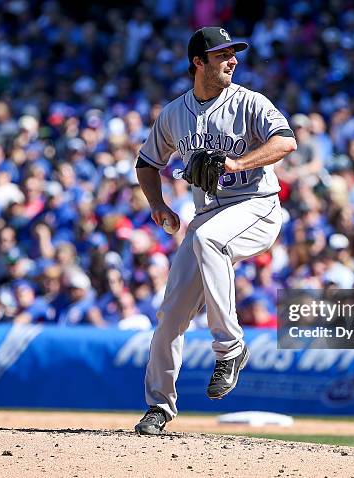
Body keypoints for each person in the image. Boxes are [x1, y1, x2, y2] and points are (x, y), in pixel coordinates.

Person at [134, 27, 297, 435]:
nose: (233, 59)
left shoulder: (249, 102)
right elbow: (146, 163)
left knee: (209, 240)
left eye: (233, 52)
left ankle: (230, 347)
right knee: (170, 315)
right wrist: (158, 205)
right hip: (208, 216)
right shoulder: (174, 114)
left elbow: (286, 143)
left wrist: (236, 164)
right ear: (198, 62)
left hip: (257, 206)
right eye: (222, 53)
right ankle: (159, 407)